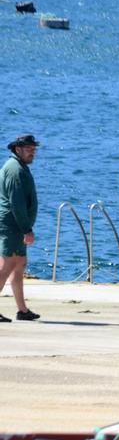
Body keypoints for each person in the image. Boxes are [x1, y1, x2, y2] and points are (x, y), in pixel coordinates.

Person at [0, 135, 40, 323]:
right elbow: (16, 203)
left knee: (19, 265)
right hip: (13, 226)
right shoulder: (15, 170)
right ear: (18, 150)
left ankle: (22, 310)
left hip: (16, 225)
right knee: (6, 266)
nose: (33, 153)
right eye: (29, 149)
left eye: (34, 149)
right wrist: (26, 229)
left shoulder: (20, 167)